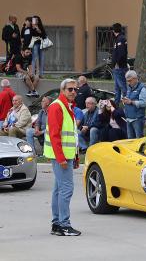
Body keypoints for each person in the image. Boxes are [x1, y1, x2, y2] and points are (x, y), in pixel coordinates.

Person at [43, 78, 81, 236]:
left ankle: (57, 224)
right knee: (66, 189)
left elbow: (72, 136)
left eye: (75, 89)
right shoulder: (57, 107)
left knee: (59, 189)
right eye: (70, 89)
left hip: (66, 155)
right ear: (62, 90)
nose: (73, 92)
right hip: (61, 157)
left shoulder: (67, 107)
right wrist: (62, 159)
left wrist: (75, 157)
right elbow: (54, 135)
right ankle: (64, 225)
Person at [122, 70, 146, 139]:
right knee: (130, 140)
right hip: (128, 118)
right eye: (127, 81)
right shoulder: (129, 88)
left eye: (130, 81)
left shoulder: (142, 88)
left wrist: (131, 102)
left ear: (135, 78)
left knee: (138, 140)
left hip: (137, 119)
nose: (128, 83)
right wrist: (124, 100)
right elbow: (128, 99)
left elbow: (144, 103)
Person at [111, 23, 128, 106]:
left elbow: (121, 53)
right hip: (117, 67)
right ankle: (116, 104)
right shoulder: (118, 38)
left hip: (119, 67)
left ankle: (127, 102)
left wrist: (117, 63)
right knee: (117, 88)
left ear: (113, 30)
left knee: (122, 86)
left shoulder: (120, 39)